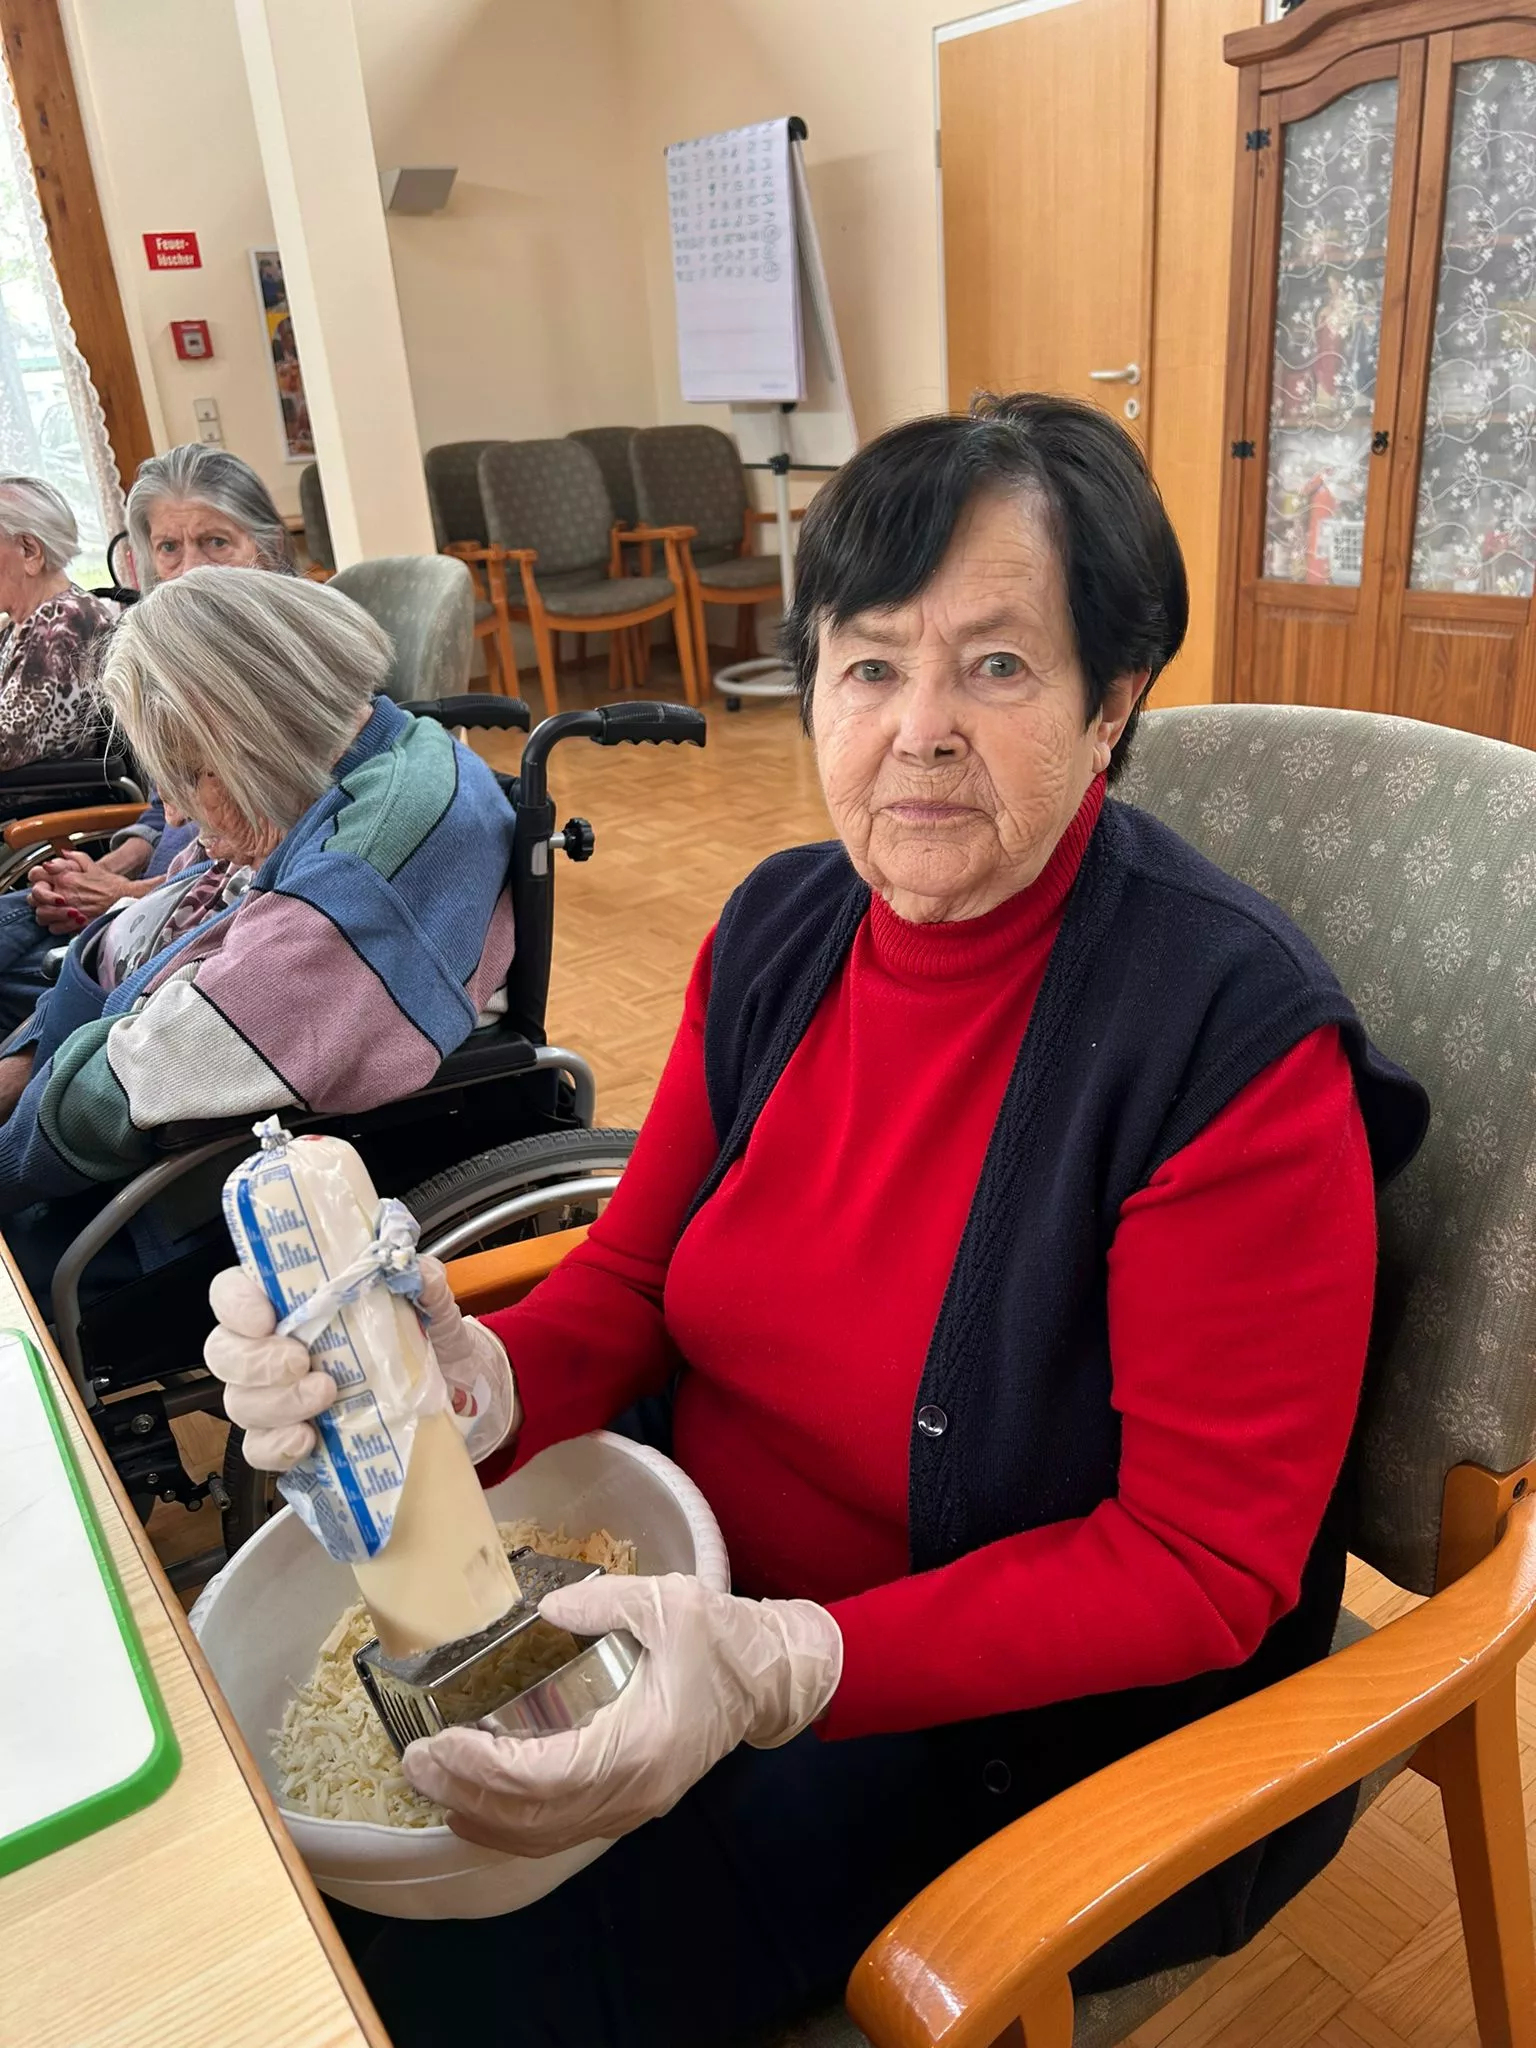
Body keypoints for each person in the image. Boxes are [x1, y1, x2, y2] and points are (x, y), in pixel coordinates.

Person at [203, 395, 1429, 2048]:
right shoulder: (783, 926)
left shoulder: (1224, 1044)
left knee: (421, 1989)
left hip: (967, 1720)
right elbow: (632, 1279)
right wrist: (463, 1383)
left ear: (1112, 701)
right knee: (276, 1886)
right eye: (867, 664)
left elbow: (1201, 1564)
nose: (919, 729)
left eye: (998, 665)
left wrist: (785, 1665)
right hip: (670, 1562)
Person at [0, 567, 514, 1273]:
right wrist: (28, 1062)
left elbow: (134, 1086)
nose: (172, 815)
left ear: (255, 734)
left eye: (188, 773)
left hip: (166, 1202)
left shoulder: (354, 888)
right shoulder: (354, 758)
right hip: (84, 1050)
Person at [0, 445, 297, 1027]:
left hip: (199, 923)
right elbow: (166, 810)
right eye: (169, 548)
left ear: (265, 547)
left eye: (216, 542)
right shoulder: (184, 663)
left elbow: (255, 872)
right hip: (153, 893)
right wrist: (108, 870)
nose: (191, 570)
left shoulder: (282, 674)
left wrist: (122, 895)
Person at [0, 475, 118, 773]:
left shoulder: (63, 627)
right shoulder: (21, 624)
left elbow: (5, 745)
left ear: (29, 550)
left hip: (43, 799)